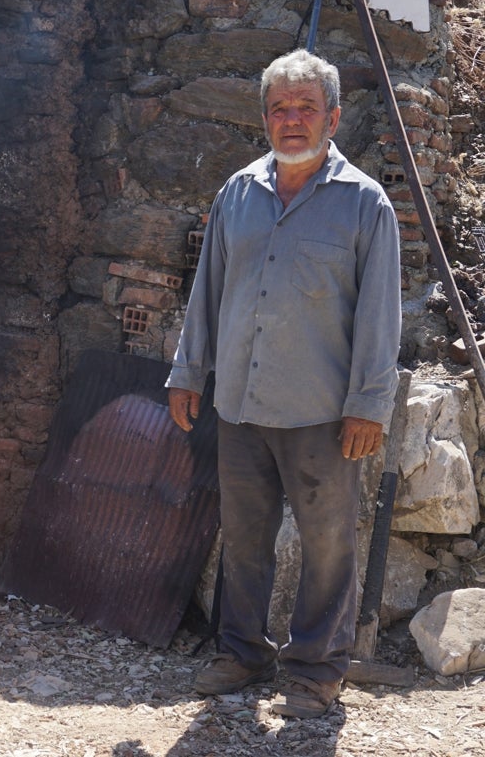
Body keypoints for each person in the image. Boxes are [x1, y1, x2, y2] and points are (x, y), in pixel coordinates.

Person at [166, 49, 401, 718]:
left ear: (331, 116)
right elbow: (206, 294)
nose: (291, 120)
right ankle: (240, 652)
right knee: (243, 538)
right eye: (279, 108)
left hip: (323, 415)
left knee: (329, 544)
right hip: (240, 404)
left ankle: (315, 670)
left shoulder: (365, 205)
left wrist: (369, 405)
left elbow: (381, 315)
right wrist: (188, 373)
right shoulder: (237, 193)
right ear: (263, 117)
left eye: (305, 108)